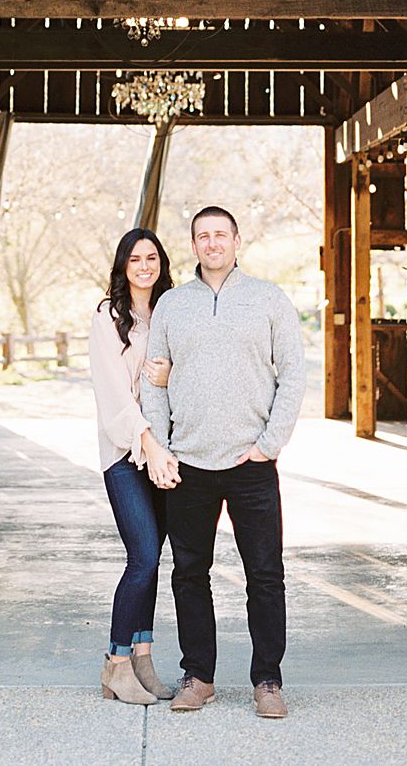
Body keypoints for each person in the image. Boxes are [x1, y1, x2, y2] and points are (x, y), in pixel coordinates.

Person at [138, 206, 305, 719]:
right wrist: (161, 446)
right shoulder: (171, 305)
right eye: (202, 236)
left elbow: (294, 376)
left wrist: (269, 444)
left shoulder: (269, 300)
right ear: (193, 246)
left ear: (237, 241)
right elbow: (155, 381)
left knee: (265, 574)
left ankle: (268, 680)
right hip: (189, 462)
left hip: (251, 462)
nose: (212, 244)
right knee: (190, 573)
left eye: (220, 235)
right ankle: (199, 676)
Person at [88, 228, 179, 705]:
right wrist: (146, 441)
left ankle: (143, 657)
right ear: (123, 265)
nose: (144, 265)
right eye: (135, 258)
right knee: (142, 557)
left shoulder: (172, 309)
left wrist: (172, 373)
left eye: (152, 257)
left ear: (162, 262)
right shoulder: (108, 317)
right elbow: (113, 393)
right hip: (127, 454)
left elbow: (189, 371)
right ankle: (116, 665)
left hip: (166, 453)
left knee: (155, 560)